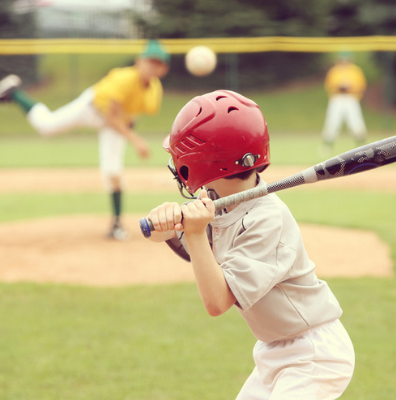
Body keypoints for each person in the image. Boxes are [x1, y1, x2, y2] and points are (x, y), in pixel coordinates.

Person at [146, 90, 355, 399]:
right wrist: (166, 231)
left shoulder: (266, 219)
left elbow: (217, 301)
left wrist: (193, 231)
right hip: (274, 350)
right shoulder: (219, 203)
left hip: (312, 354)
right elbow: (203, 257)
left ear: (204, 162)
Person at [0, 39, 170, 240]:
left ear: (163, 69)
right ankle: (14, 92)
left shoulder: (155, 91)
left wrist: (129, 132)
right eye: (149, 61)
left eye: (157, 63)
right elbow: (111, 117)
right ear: (138, 61)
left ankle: (116, 225)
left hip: (116, 123)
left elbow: (133, 113)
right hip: (92, 108)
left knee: (113, 170)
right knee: (47, 126)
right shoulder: (124, 79)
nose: (152, 66)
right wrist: (136, 140)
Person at [320, 51, 367, 155]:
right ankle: (327, 147)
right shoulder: (334, 71)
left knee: (356, 123)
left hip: (351, 98)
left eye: (346, 60)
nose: (344, 62)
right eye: (342, 59)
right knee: (332, 122)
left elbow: (361, 85)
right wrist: (338, 86)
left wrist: (351, 87)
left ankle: (362, 148)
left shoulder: (356, 70)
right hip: (337, 98)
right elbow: (329, 85)